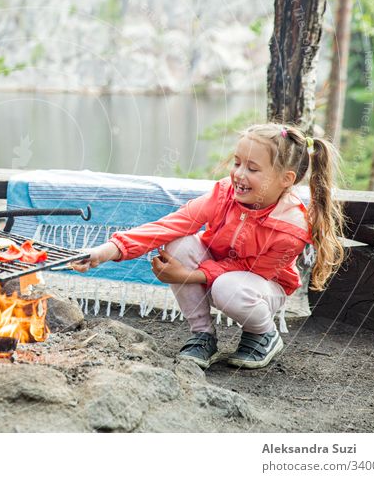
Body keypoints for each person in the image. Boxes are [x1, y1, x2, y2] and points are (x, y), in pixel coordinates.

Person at [72, 123, 345, 370]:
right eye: (237, 163)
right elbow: (173, 224)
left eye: (252, 168)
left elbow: (247, 269)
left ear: (285, 179)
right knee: (178, 242)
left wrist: (188, 276)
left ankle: (263, 333)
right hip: (217, 273)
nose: (238, 174)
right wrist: (107, 250)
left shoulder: (290, 228)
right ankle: (202, 335)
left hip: (259, 287)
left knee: (228, 287)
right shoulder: (224, 193)